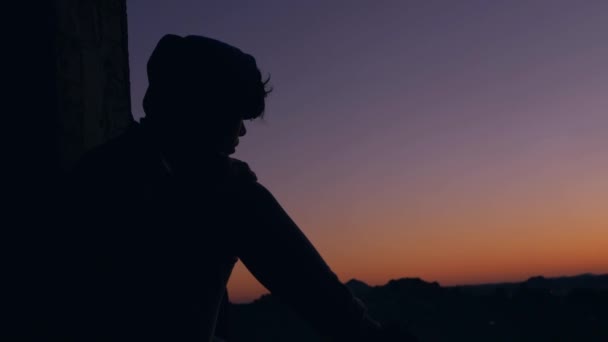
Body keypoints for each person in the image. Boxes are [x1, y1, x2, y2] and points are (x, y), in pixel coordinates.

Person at [68, 34, 416, 341]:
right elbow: (308, 286)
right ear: (203, 115)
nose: (242, 134)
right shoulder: (222, 192)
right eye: (236, 118)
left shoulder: (96, 170)